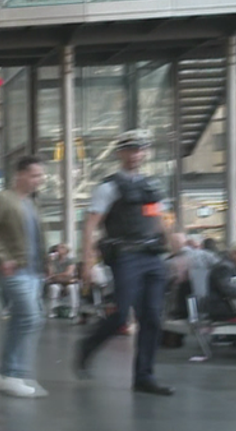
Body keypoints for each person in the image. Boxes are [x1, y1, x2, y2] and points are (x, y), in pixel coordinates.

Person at [76, 129, 174, 395]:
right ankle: (88, 346)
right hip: (126, 256)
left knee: (152, 317)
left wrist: (177, 248)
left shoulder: (150, 187)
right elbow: (91, 225)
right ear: (120, 153)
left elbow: (160, 220)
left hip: (152, 256)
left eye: (141, 149)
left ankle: (144, 376)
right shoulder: (108, 187)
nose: (136, 154)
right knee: (120, 313)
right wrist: (87, 261)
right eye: (131, 149)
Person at [0, 155, 49, 397]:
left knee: (24, 319)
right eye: (35, 175)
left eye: (41, 175)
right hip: (14, 269)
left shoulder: (31, 203)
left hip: (33, 271)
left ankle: (11, 374)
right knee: (30, 318)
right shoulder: (3, 199)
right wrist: (1, 257)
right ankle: (15, 373)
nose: (39, 180)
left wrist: (45, 264)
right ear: (20, 174)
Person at [46, 244, 81, 319]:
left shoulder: (70, 260)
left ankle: (73, 310)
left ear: (66, 251)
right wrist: (50, 262)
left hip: (68, 281)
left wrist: (57, 275)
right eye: (57, 248)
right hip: (57, 281)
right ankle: (52, 310)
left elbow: (68, 273)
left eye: (61, 248)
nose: (58, 249)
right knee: (54, 288)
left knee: (72, 288)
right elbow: (50, 273)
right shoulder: (53, 261)